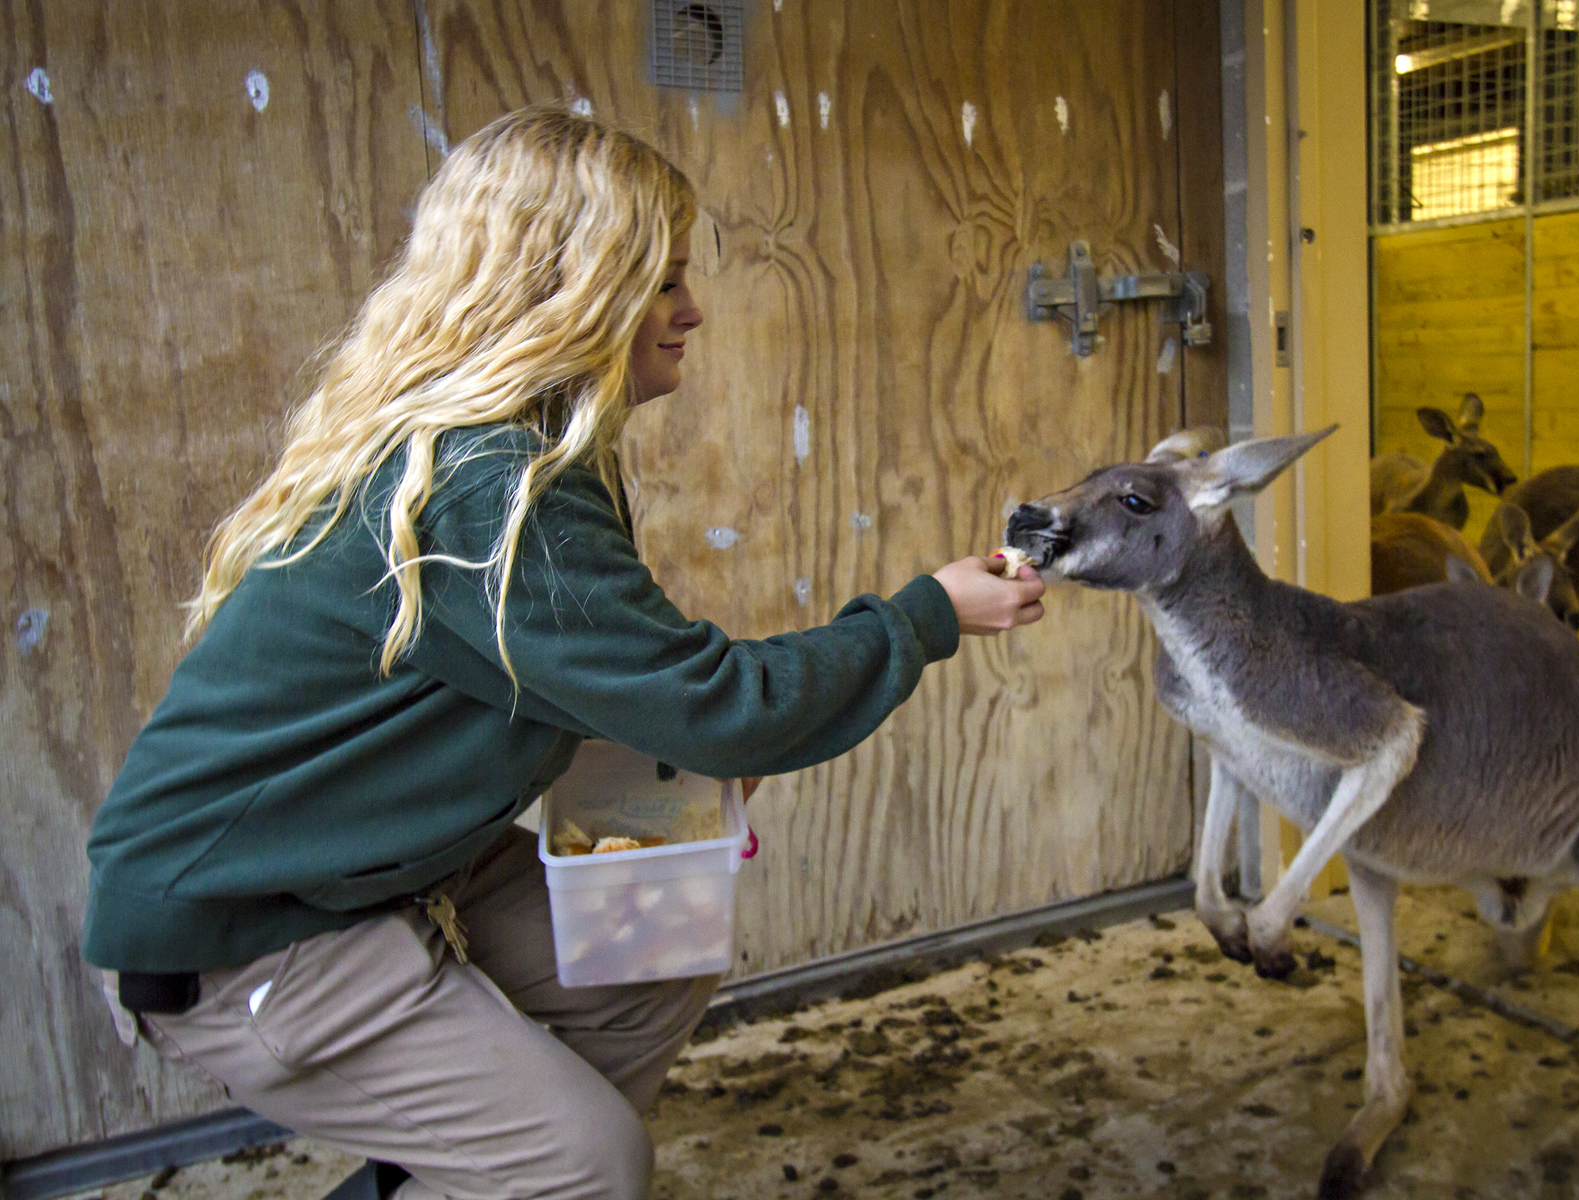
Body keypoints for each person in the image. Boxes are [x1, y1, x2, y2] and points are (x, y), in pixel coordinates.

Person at [82, 103, 1045, 1200]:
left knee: (646, 956)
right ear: (569, 290)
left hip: (382, 869)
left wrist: (684, 737)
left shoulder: (525, 450)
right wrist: (930, 613)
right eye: (662, 281)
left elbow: (604, 680)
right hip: (250, 928)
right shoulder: (494, 486)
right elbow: (717, 704)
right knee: (584, 1162)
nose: (692, 312)